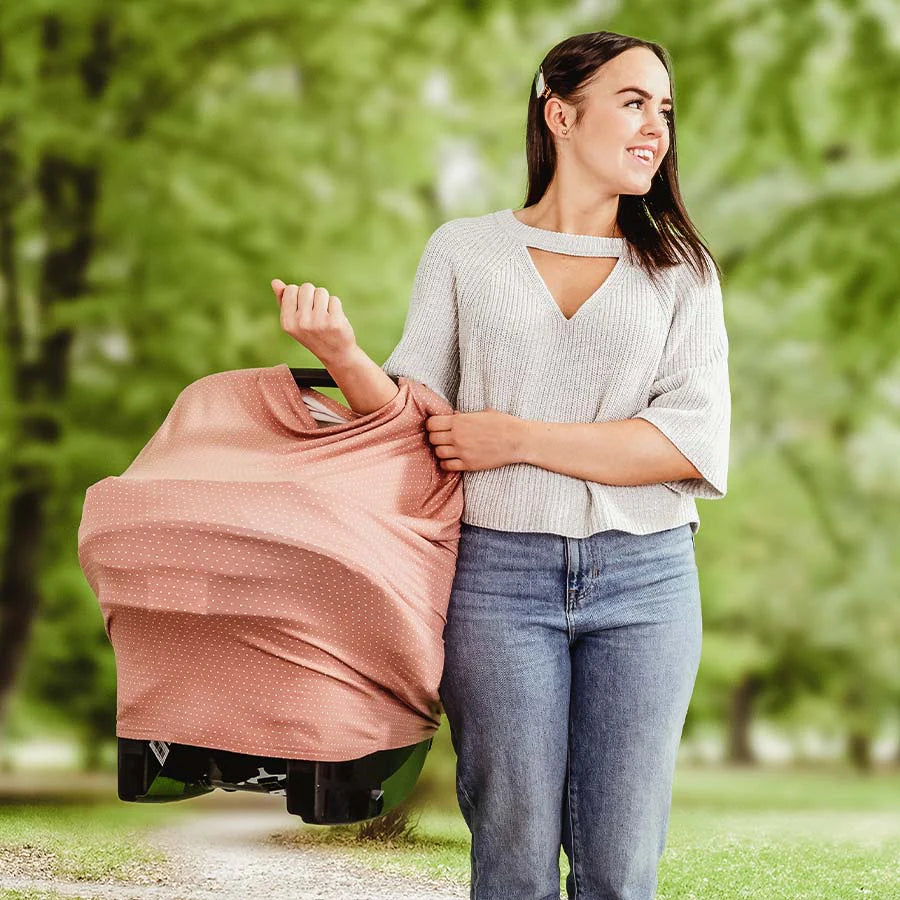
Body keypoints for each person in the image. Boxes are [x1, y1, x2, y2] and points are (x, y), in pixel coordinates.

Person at [272, 29, 730, 900]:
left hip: (648, 580)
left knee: (622, 862)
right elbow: (415, 422)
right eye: (633, 102)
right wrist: (340, 353)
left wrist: (516, 438)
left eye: (665, 111)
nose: (656, 129)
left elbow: (685, 445)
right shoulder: (465, 252)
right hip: (495, 578)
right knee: (511, 847)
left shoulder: (680, 271)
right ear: (560, 114)